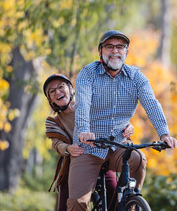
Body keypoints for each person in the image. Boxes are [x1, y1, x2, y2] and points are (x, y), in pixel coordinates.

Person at [68, 30, 177, 210]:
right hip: (89, 146)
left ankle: (128, 203)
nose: (115, 51)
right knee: (77, 202)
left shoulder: (136, 77)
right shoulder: (88, 74)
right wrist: (83, 131)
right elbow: (82, 105)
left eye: (120, 47)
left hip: (119, 144)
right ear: (100, 52)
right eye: (109, 46)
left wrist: (164, 134)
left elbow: (151, 104)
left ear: (126, 52)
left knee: (139, 159)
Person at [43, 74, 135, 211]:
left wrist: (128, 127)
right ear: (50, 99)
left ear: (71, 89)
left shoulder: (90, 105)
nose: (58, 92)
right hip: (75, 163)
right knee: (68, 205)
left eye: (61, 87)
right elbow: (56, 144)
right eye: (52, 91)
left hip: (101, 157)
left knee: (115, 200)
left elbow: (112, 120)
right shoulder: (53, 121)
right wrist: (68, 148)